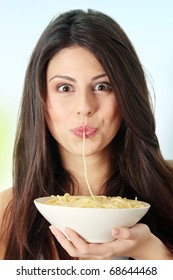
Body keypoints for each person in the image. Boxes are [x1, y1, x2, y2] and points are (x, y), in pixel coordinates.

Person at [0, 9, 173, 260]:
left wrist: (153, 255)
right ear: (40, 99)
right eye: (65, 87)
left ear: (127, 96)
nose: (84, 106)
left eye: (102, 86)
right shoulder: (9, 212)